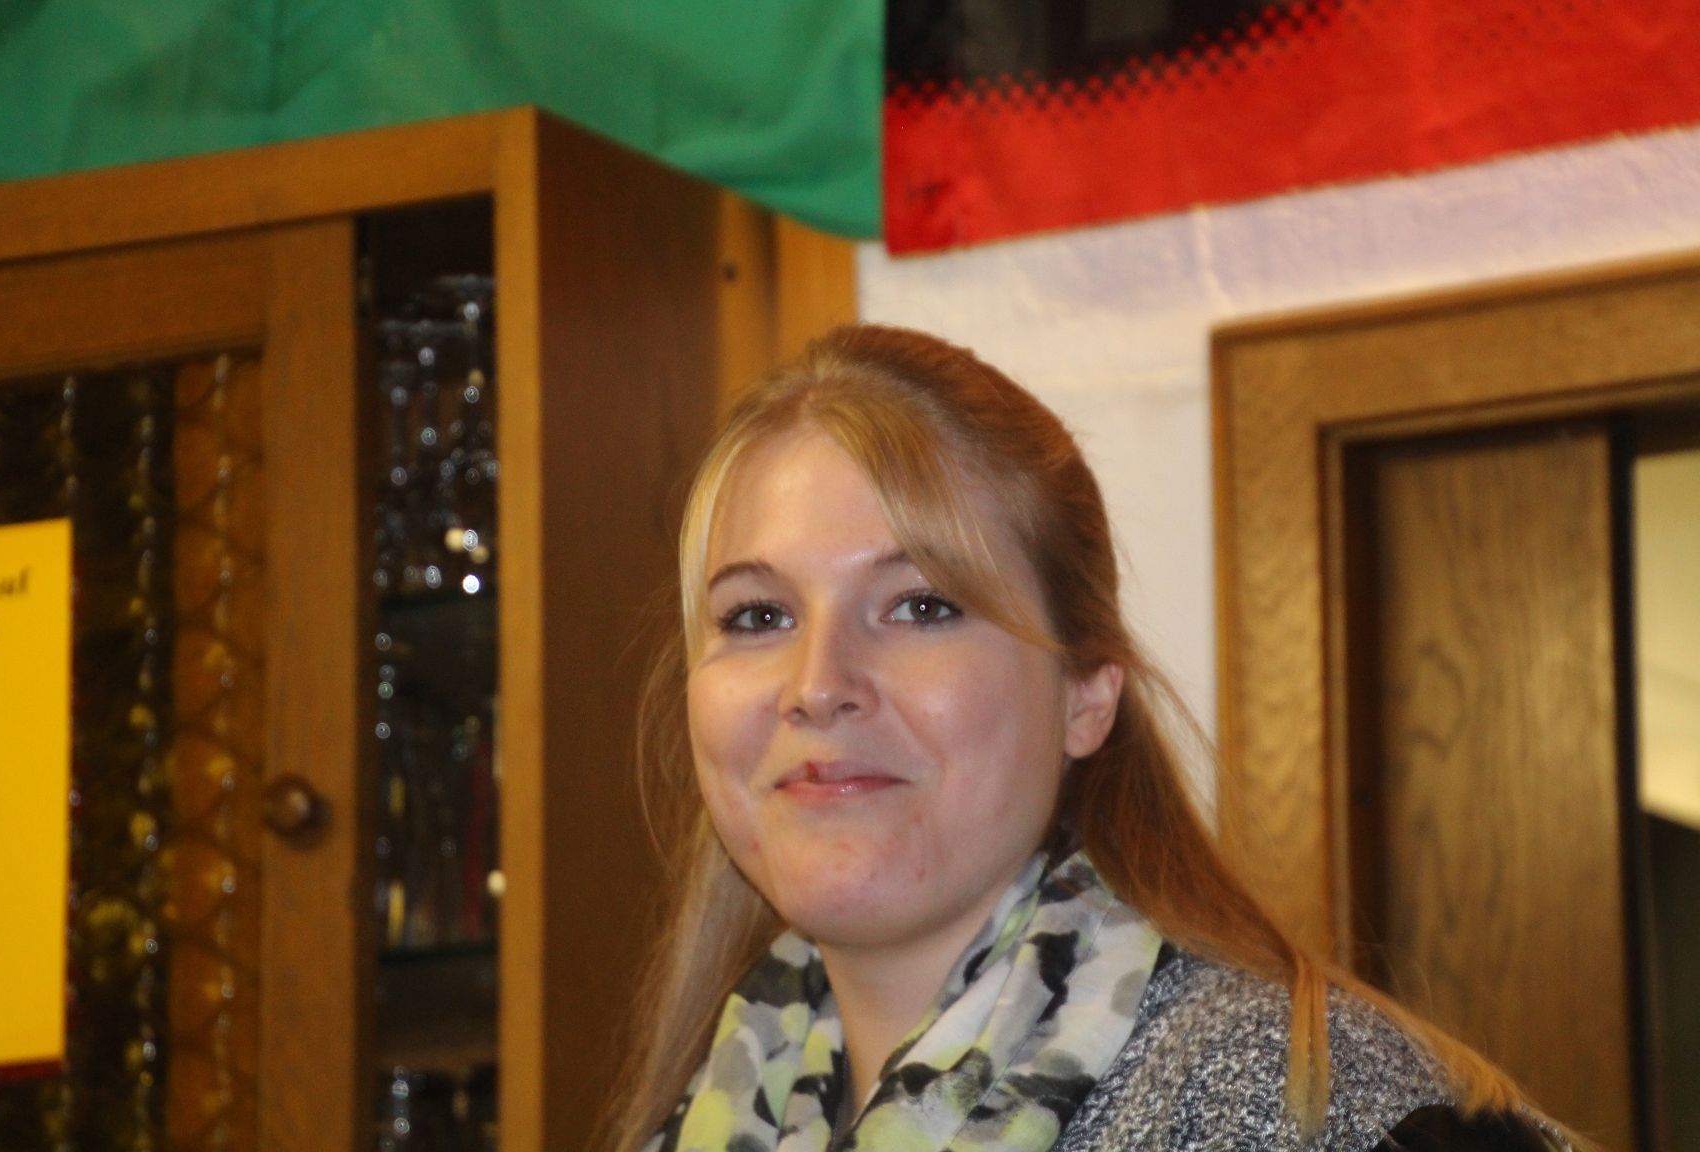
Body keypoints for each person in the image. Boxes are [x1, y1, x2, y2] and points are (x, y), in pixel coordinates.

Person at [610, 325, 1570, 1152]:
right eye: (757, 616)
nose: (817, 685)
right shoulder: (713, 1111)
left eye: (921, 605)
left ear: (1086, 694)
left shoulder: (1297, 1107)